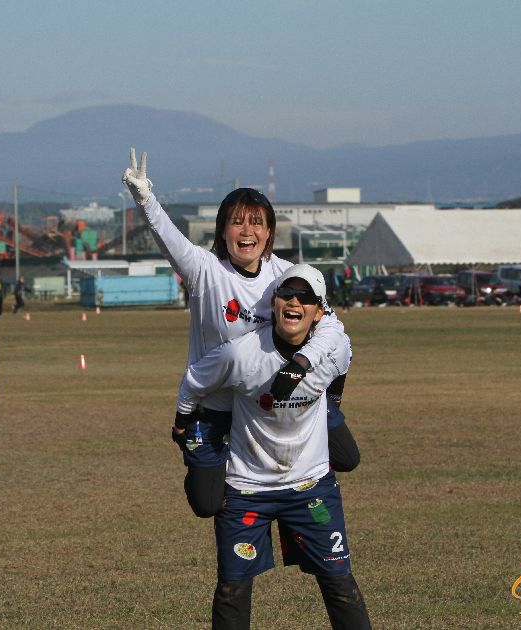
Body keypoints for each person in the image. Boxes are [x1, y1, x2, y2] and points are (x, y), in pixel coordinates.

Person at [123, 149, 359, 519]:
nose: (247, 231)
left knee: (346, 457)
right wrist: (144, 198)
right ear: (222, 230)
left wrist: (304, 363)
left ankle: (302, 498)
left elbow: (332, 328)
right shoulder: (204, 270)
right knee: (207, 503)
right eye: (237, 222)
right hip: (219, 404)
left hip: (280, 398)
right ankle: (210, 465)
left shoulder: (286, 275)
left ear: (269, 232)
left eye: (256, 223)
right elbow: (167, 237)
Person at [177, 264, 370, 629]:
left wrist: (333, 403)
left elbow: (342, 364)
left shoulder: (333, 348)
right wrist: (181, 423)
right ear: (274, 302)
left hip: (310, 485)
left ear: (319, 312)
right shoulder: (241, 354)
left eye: (305, 297)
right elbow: (195, 380)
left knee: (340, 585)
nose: (294, 302)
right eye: (287, 294)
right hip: (246, 488)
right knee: (232, 590)